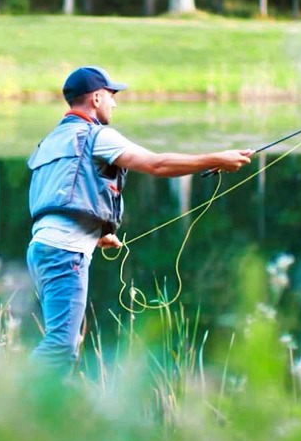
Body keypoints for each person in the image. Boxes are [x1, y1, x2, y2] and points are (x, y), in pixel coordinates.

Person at [25, 66, 253, 374]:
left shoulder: (52, 140)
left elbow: (61, 195)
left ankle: (45, 410)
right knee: (61, 345)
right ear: (95, 98)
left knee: (67, 340)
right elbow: (156, 164)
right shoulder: (97, 136)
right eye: (111, 95)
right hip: (64, 252)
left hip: (42, 249)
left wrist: (96, 234)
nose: (114, 103)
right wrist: (218, 159)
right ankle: (14, 405)